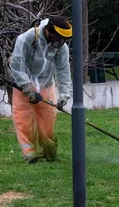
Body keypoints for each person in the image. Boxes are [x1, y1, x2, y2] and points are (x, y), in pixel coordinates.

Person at [9, 15, 72, 163]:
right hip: (23, 84)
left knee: (48, 121)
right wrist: (27, 89)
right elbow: (17, 64)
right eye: (59, 37)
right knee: (24, 120)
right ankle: (31, 155)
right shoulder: (28, 38)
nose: (61, 41)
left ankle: (50, 153)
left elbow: (63, 69)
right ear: (49, 31)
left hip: (46, 85)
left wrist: (64, 94)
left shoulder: (60, 45)